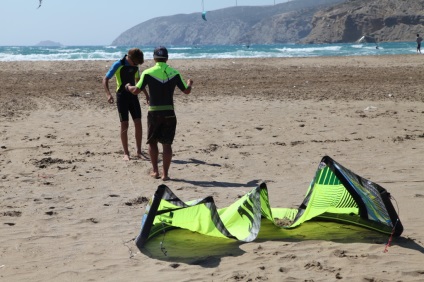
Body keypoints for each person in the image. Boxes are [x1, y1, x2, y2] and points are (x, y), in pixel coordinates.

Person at [126, 46, 193, 180]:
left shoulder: (148, 72)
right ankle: (166, 174)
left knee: (152, 143)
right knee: (167, 144)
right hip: (169, 112)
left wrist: (127, 86)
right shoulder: (174, 73)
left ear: (154, 58)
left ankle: (155, 171)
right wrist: (190, 83)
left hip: (154, 113)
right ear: (167, 58)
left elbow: (136, 91)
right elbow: (186, 91)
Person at [102, 48, 149, 161]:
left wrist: (147, 95)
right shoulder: (119, 64)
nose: (136, 65)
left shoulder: (135, 66)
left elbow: (138, 82)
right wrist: (108, 94)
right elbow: (105, 79)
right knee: (125, 124)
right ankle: (126, 153)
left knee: (138, 123)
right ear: (129, 58)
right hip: (122, 96)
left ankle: (138, 151)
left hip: (133, 97)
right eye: (135, 62)